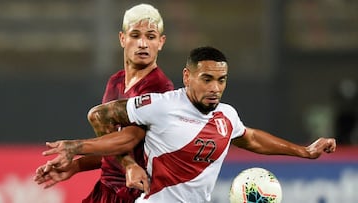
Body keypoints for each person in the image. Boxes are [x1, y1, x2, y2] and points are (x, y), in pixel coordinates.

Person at [40, 46, 336, 203]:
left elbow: (252, 138)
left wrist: (304, 152)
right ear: (187, 77)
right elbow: (100, 116)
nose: (215, 88)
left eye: (221, 80)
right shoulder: (161, 106)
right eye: (206, 79)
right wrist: (115, 160)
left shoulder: (227, 116)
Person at [34, 3, 174, 203]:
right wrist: (77, 166)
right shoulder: (116, 81)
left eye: (150, 37)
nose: (143, 43)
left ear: (161, 42)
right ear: (122, 38)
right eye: (135, 35)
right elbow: (111, 144)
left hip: (137, 192)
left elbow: (128, 139)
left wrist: (75, 147)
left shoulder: (159, 87)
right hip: (107, 189)